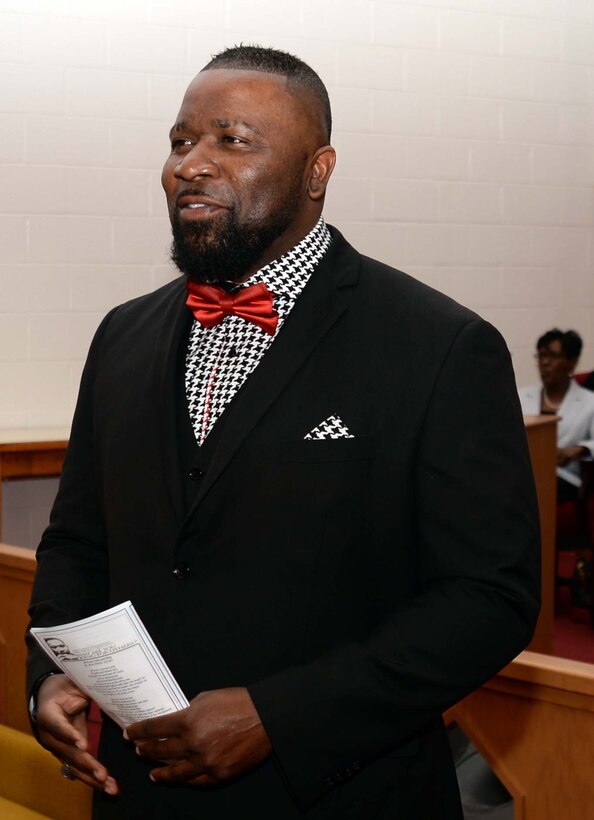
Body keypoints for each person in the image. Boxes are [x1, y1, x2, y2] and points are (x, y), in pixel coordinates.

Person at [26, 45, 540, 820]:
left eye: (232, 140)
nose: (191, 165)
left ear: (317, 171)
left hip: (341, 792)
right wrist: (51, 675)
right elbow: (77, 543)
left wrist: (281, 715)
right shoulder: (122, 336)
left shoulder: (437, 346)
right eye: (179, 141)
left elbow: (488, 599)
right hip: (141, 792)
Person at [518, 328, 594, 504]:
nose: (544, 363)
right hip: (523, 474)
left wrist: (579, 449)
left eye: (552, 356)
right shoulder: (521, 397)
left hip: (563, 477)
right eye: (541, 356)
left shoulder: (589, 402)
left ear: (571, 362)